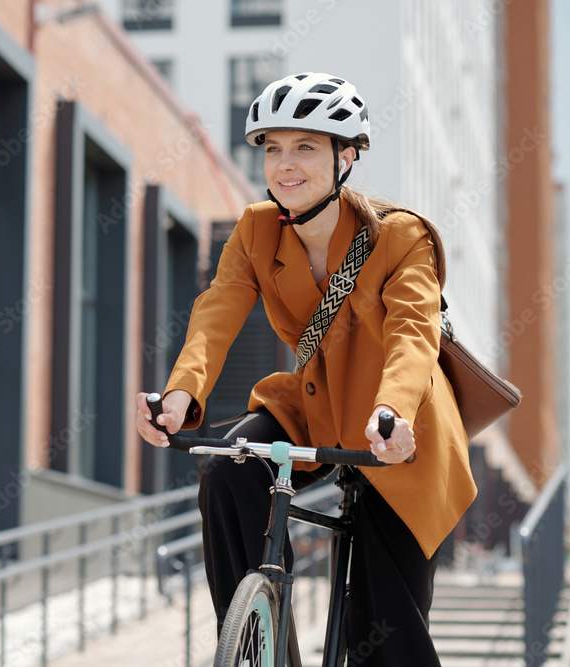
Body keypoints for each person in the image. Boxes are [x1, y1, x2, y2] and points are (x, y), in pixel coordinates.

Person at [135, 72, 477, 665]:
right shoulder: (255, 229)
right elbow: (216, 312)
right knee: (230, 469)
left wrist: (391, 410)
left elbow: (413, 333)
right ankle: (256, 643)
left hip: (399, 425)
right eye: (272, 149)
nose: (284, 165)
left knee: (385, 628)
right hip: (313, 407)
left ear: (347, 157)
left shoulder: (401, 236)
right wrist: (180, 394)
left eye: (305, 147)